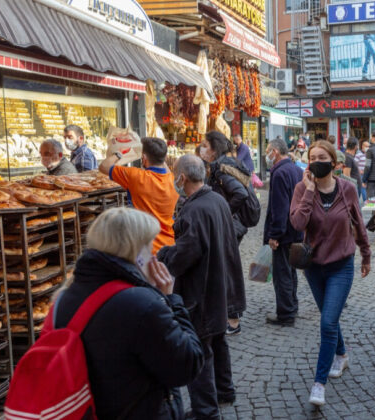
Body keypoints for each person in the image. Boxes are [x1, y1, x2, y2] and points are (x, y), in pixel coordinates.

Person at [53, 207, 203, 419]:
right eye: (149, 246)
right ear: (136, 251)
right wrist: (171, 300)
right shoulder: (142, 305)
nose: (153, 254)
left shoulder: (63, 297)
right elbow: (189, 363)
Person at [158, 155, 241, 418]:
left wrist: (162, 257)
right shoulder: (215, 199)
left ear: (182, 177)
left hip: (201, 289)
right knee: (217, 340)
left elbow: (187, 252)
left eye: (174, 176)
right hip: (220, 283)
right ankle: (225, 391)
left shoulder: (195, 209)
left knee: (201, 348)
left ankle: (206, 410)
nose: (174, 181)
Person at [289, 140, 371, 406]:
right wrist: (310, 190)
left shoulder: (347, 189)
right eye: (312, 157)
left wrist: (366, 254)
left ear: (334, 162)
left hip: (341, 266)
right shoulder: (301, 188)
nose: (316, 161)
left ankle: (319, 383)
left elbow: (358, 222)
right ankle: (342, 354)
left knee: (326, 323)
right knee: (330, 318)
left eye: (322, 157)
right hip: (313, 267)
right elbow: (298, 223)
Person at [196, 131, 248, 335]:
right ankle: (226, 314)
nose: (202, 149)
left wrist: (223, 213)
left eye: (204, 145)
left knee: (227, 270)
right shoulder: (227, 162)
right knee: (224, 268)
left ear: (214, 149)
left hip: (230, 225)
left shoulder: (220, 167)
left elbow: (240, 194)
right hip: (233, 224)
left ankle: (233, 319)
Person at [100, 137, 178, 255]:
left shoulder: (135, 176)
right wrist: (160, 155)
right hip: (169, 245)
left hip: (145, 248)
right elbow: (165, 168)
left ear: (144, 158)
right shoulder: (172, 180)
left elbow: (104, 166)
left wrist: (119, 154)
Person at [263, 139, 304, 327]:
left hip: (284, 232)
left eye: (267, 151)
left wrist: (274, 235)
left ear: (275, 152)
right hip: (296, 230)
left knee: (282, 274)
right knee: (291, 271)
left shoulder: (279, 173)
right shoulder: (297, 170)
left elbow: (280, 208)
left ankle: (286, 314)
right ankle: (292, 307)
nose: (267, 155)